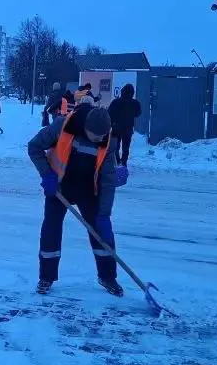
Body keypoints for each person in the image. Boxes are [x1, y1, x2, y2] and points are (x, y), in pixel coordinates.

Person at [27, 104, 123, 297]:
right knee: (51, 230)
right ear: (86, 127)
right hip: (59, 188)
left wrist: (104, 214)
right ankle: (46, 276)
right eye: (96, 136)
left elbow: (107, 180)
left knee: (102, 231)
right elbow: (34, 147)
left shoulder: (108, 140)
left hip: (88, 191)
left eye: (103, 136)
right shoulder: (62, 126)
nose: (100, 140)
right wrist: (47, 175)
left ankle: (107, 277)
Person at [108, 84, 142, 167]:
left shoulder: (116, 101)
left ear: (122, 91)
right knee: (126, 148)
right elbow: (138, 113)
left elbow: (109, 113)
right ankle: (124, 163)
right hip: (128, 128)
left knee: (116, 146)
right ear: (132, 93)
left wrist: (113, 122)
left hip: (116, 128)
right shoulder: (135, 103)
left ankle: (117, 161)